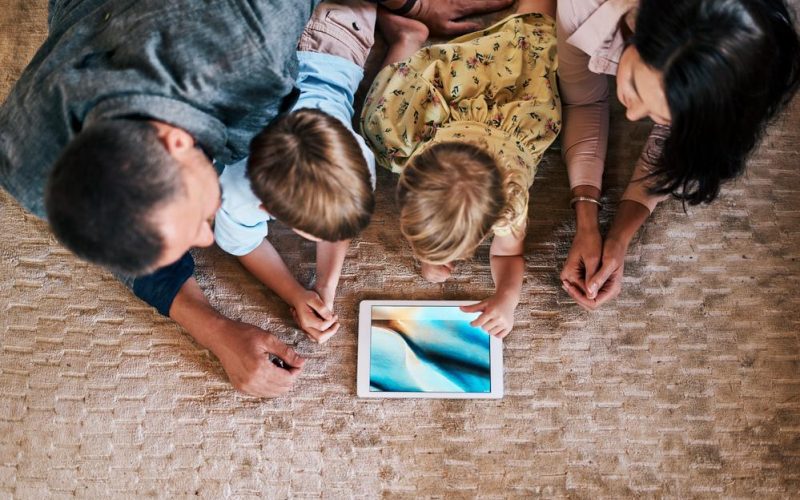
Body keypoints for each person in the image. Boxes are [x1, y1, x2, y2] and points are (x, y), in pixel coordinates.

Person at [0, 0, 515, 397]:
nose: (209, 238)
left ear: (177, 144)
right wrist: (214, 330)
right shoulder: (27, 167)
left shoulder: (249, 39)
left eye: (198, 220)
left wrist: (411, 7)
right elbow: (127, 248)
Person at [557, 0, 800, 311]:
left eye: (662, 117)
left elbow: (683, 147)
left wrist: (618, 238)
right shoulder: (582, 7)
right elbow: (583, 103)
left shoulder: (752, 73)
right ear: (637, 26)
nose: (632, 116)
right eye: (633, 84)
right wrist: (586, 221)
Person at [361, 0, 560, 339]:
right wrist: (429, 253)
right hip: (466, 90)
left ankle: (408, 40)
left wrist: (507, 298)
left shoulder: (511, 202)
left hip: (502, 101)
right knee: (379, 124)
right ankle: (406, 40)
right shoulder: (419, 147)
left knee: (533, 31)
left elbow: (509, 256)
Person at [214, 1, 377, 344]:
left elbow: (338, 221)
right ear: (266, 208)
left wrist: (325, 284)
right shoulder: (234, 190)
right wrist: (294, 293)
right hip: (333, 32)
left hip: (325, 34)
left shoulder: (358, 160)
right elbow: (243, 245)